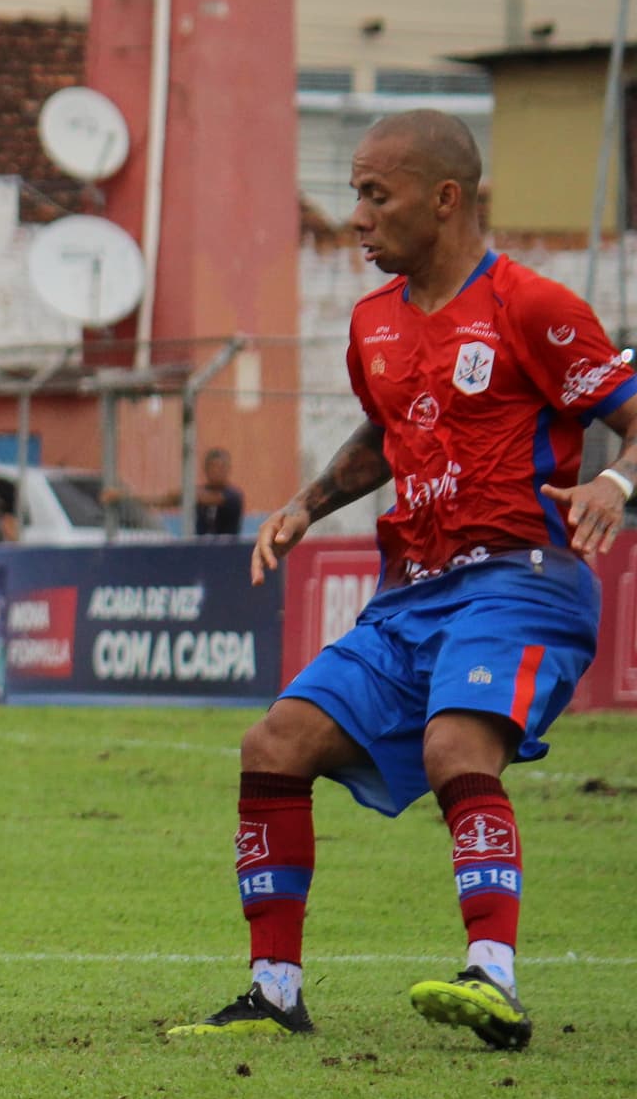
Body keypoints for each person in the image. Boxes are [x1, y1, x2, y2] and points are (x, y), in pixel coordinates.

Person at [166, 111, 637, 1051]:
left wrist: (615, 480)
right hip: (412, 591)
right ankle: (273, 990)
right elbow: (391, 431)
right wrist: (306, 502)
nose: (358, 218)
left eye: (375, 195)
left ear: (444, 198)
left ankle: (492, 978)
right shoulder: (372, 322)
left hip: (522, 576)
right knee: (276, 741)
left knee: (456, 743)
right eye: (356, 194)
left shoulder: (532, 306)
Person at [106, 448, 246, 538]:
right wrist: (124, 496)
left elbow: (207, 498)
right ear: (205, 469)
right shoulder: (196, 492)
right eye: (213, 467)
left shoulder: (233, 495)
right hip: (199, 549)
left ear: (229, 469)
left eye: (221, 467)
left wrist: (182, 494)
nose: (217, 472)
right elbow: (162, 500)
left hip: (227, 552)